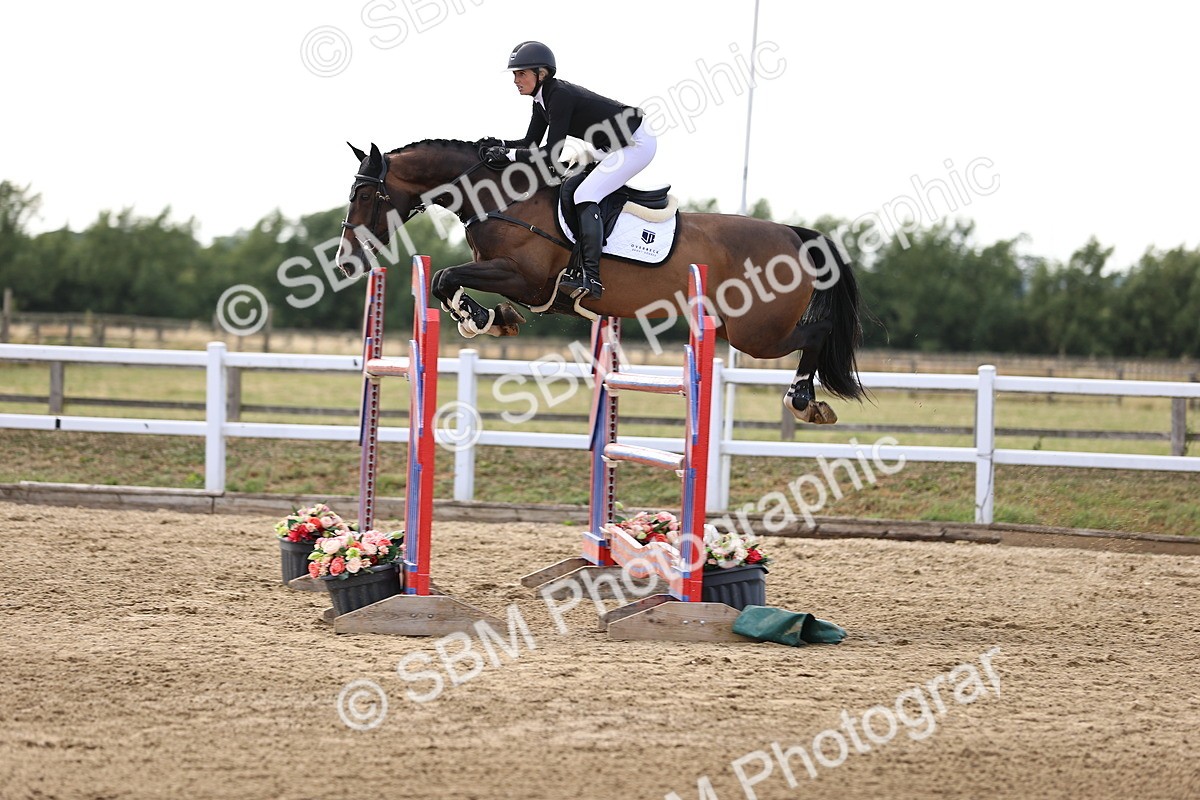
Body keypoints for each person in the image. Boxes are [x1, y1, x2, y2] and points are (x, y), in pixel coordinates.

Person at [482, 41, 656, 300]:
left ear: (541, 74)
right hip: (608, 146)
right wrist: (499, 144)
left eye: (521, 74)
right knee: (569, 187)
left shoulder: (559, 96)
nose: (516, 80)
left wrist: (508, 154)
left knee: (585, 194)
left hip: (635, 144)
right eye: (515, 74)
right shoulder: (541, 100)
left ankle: (592, 278)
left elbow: (552, 154)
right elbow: (529, 144)